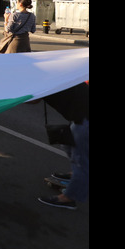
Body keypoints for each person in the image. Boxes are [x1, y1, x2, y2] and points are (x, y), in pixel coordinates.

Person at [33, 82, 89, 210]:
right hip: (80, 117)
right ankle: (76, 175)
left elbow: (33, 101)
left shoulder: (44, 77)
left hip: (85, 119)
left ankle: (69, 199)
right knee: (68, 146)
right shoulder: (54, 70)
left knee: (81, 160)